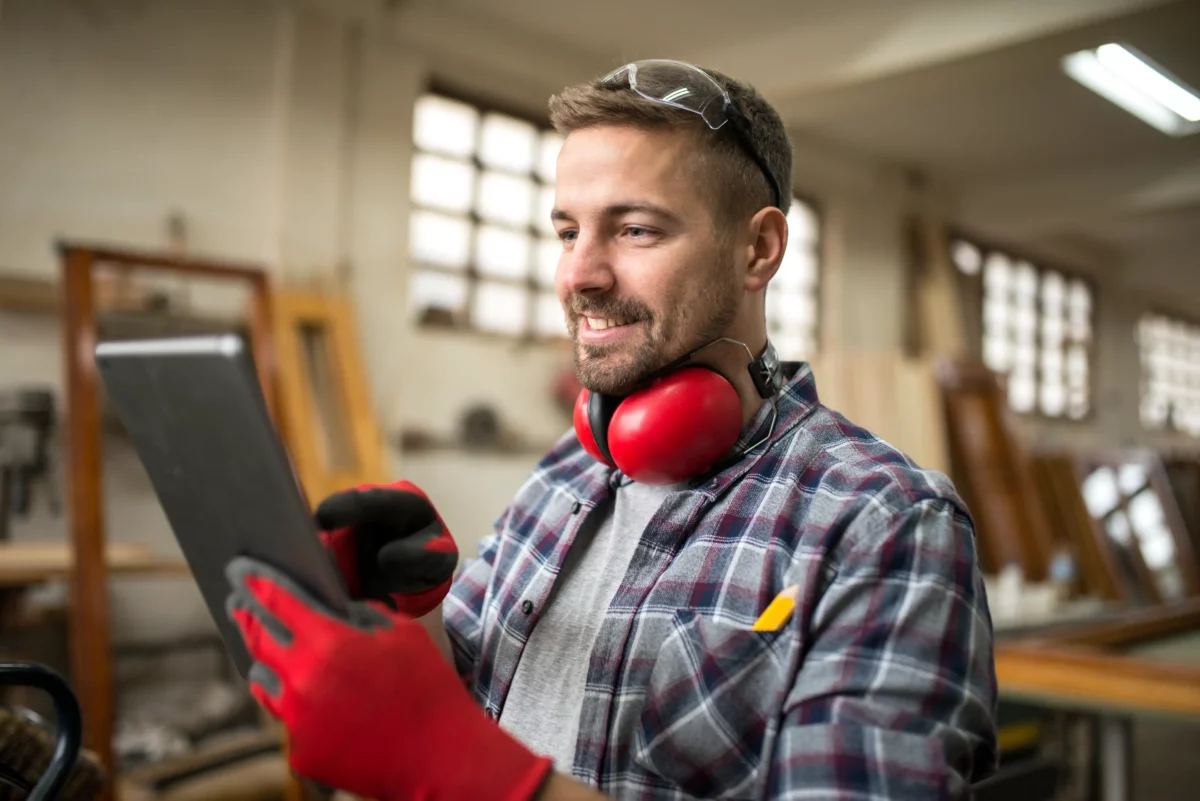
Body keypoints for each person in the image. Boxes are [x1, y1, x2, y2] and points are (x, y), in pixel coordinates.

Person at [224, 59, 998, 801]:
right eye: (567, 231)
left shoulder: (884, 523)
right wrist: (402, 613)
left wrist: (482, 782)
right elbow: (466, 711)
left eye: (634, 230)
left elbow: (460, 765)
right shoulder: (570, 471)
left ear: (757, 249)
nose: (579, 274)